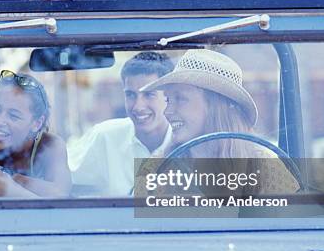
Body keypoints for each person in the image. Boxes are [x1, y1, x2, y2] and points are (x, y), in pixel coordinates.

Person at [140, 49, 299, 194]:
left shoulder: (265, 165)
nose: (167, 111)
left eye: (180, 99)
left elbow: (294, 222)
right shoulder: (157, 168)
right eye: (168, 100)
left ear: (215, 107)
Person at [67, 52, 174, 196]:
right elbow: (62, 180)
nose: (138, 106)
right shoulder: (105, 137)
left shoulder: (191, 142)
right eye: (130, 95)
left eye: (149, 94)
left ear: (169, 96)